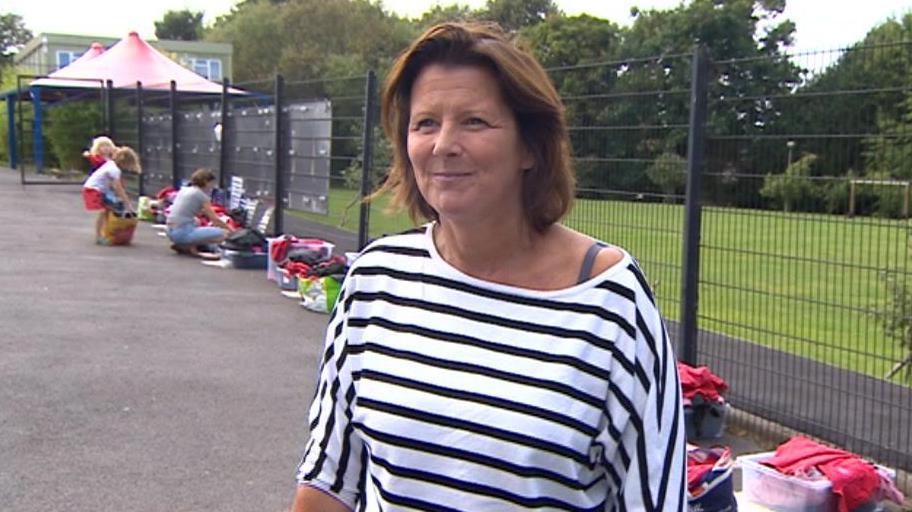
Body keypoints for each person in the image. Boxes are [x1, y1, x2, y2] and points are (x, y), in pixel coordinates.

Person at [291, 22, 686, 511]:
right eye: (425, 123)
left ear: (530, 146)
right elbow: (328, 480)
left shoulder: (609, 304)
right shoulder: (376, 280)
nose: (443, 145)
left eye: (474, 121)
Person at [166, 168, 234, 258]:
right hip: (182, 233)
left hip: (170, 230)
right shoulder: (202, 196)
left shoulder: (184, 190)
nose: (213, 187)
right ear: (206, 182)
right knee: (224, 234)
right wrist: (233, 231)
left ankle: (187, 246)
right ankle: (187, 245)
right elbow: (215, 220)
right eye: (212, 183)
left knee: (196, 221)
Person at [82, 145, 139, 244]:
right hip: (93, 190)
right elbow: (118, 187)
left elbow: (113, 185)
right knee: (103, 211)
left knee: (109, 209)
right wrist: (127, 203)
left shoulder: (111, 164)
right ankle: (99, 237)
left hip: (98, 189)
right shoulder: (114, 169)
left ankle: (108, 233)